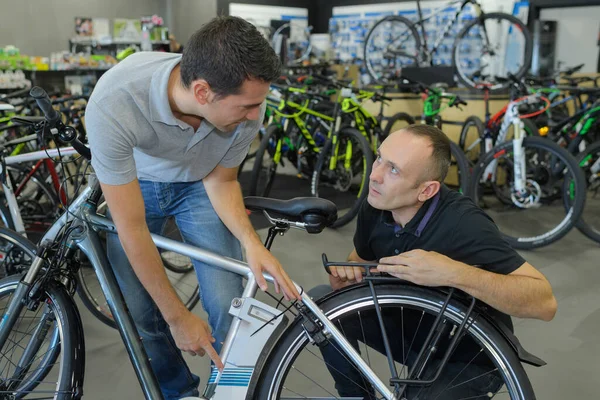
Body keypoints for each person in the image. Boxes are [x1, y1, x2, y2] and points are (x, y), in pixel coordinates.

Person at [85, 16, 300, 399]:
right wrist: (177, 316)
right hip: (139, 186)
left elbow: (222, 180)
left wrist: (251, 242)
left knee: (229, 305)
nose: (256, 115)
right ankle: (177, 391)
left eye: (258, 103)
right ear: (202, 92)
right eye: (248, 106)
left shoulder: (248, 104)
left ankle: (226, 394)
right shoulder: (114, 102)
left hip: (202, 184)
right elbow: (131, 227)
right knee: (140, 313)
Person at [312, 124, 557, 399]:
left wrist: (453, 273)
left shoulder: (463, 224)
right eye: (379, 157)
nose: (375, 175)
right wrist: (346, 277)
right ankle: (354, 394)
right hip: (415, 334)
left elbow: (544, 303)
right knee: (321, 304)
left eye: (393, 169)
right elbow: (359, 261)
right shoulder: (378, 205)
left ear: (427, 190)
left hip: (468, 355)